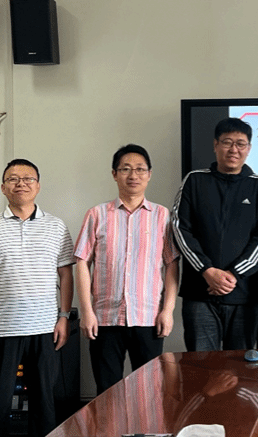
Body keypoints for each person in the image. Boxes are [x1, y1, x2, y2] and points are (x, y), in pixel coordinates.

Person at [0, 159, 74, 437]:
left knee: (44, 404)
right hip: (0, 330)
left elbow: (66, 275)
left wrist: (64, 317)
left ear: (38, 186)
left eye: (28, 178)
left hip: (45, 329)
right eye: (13, 179)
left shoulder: (57, 227)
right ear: (3, 188)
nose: (21, 183)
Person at [74, 144, 179, 395]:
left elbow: (172, 265)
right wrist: (87, 311)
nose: (133, 175)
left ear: (149, 174)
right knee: (106, 390)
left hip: (148, 318)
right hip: (105, 318)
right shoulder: (97, 214)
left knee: (149, 391)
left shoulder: (162, 216)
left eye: (140, 169)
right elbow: (82, 262)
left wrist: (168, 311)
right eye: (126, 169)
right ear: (114, 174)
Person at [171, 117, 258, 351]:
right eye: (227, 142)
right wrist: (207, 270)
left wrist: (234, 274)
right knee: (201, 365)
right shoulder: (194, 180)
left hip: (243, 295)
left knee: (240, 367)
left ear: (249, 148)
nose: (234, 149)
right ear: (215, 145)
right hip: (199, 293)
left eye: (240, 144)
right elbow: (179, 227)